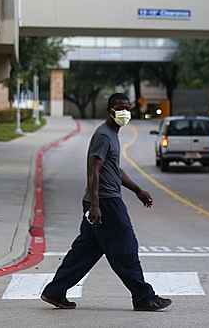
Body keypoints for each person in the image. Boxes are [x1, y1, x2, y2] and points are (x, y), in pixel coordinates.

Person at [41, 93, 172, 311]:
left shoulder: (112, 134)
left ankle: (54, 292)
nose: (124, 112)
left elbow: (114, 169)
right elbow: (94, 170)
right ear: (110, 110)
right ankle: (143, 297)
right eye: (120, 107)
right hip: (106, 202)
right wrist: (95, 205)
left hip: (102, 201)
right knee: (125, 249)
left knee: (84, 252)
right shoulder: (103, 135)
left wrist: (137, 190)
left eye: (127, 108)